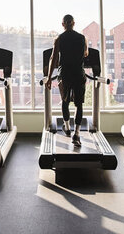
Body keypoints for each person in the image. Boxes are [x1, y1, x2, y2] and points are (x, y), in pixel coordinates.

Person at [45, 14, 88, 147]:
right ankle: (76, 134)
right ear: (73, 23)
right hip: (78, 74)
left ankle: (67, 128)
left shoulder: (59, 39)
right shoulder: (82, 38)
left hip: (65, 75)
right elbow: (86, 53)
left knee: (65, 101)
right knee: (79, 104)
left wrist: (48, 77)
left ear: (63, 24)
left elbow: (53, 59)